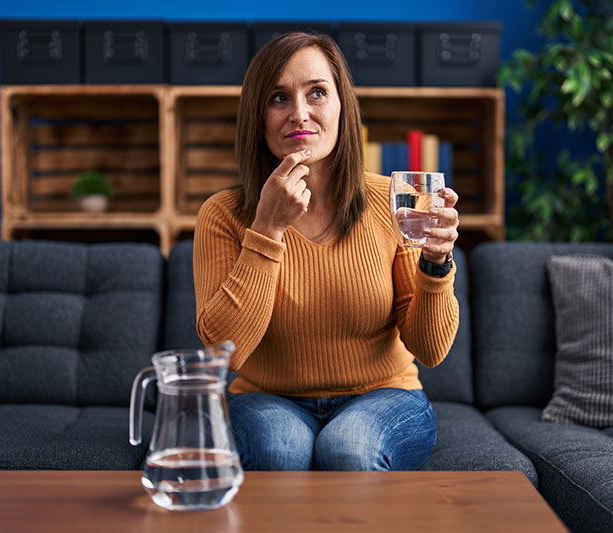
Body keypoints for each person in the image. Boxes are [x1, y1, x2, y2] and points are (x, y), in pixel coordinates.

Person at [193, 32, 460, 471]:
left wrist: (435, 263)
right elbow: (227, 351)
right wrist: (267, 228)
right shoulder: (222, 214)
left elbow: (430, 349)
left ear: (342, 106)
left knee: (348, 449)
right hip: (266, 399)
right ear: (258, 117)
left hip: (385, 395)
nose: (299, 114)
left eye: (317, 92)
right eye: (279, 98)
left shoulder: (397, 199)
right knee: (280, 452)